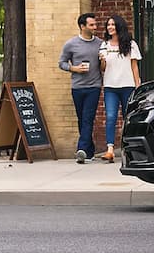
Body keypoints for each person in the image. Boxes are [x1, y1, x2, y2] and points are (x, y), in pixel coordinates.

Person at [59, 12, 102, 164]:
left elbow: (103, 65)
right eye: (91, 25)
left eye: (95, 24)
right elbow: (62, 63)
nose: (95, 27)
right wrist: (74, 69)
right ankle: (89, 150)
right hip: (77, 87)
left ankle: (81, 149)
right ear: (82, 26)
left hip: (94, 86)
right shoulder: (71, 44)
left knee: (88, 118)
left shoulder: (100, 44)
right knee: (81, 119)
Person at [99, 14, 141, 163]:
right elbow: (103, 68)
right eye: (108, 24)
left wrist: (138, 86)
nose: (110, 27)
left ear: (119, 26)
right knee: (110, 117)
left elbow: (134, 66)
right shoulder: (105, 45)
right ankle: (110, 149)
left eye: (112, 24)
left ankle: (127, 148)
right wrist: (102, 61)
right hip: (111, 86)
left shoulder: (130, 44)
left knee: (127, 118)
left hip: (128, 85)